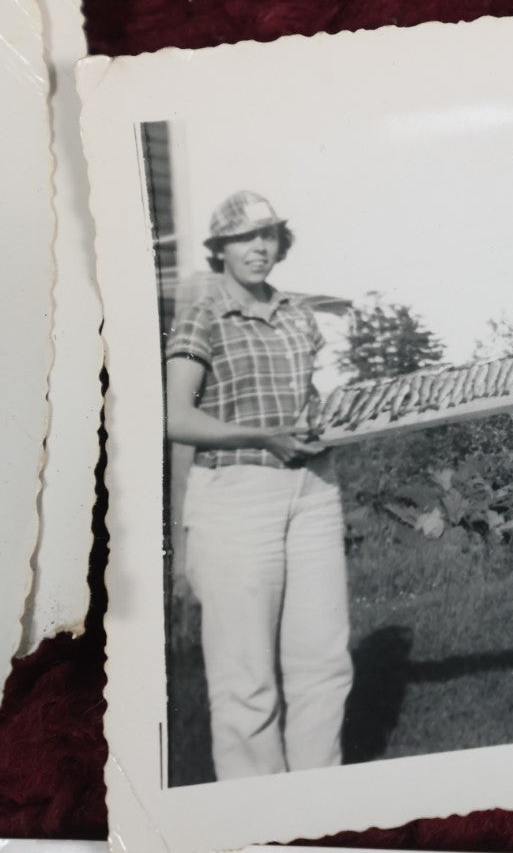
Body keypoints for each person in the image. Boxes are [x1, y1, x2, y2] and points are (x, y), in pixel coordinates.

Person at [165, 190, 352, 780]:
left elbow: (305, 399)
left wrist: (328, 423)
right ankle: (259, 821)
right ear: (219, 248)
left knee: (322, 660)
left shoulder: (298, 312)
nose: (259, 248)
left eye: (268, 235)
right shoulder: (203, 314)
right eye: (245, 237)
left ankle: (322, 810)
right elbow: (174, 417)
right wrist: (265, 434)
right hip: (236, 497)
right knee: (246, 681)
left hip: (313, 492)